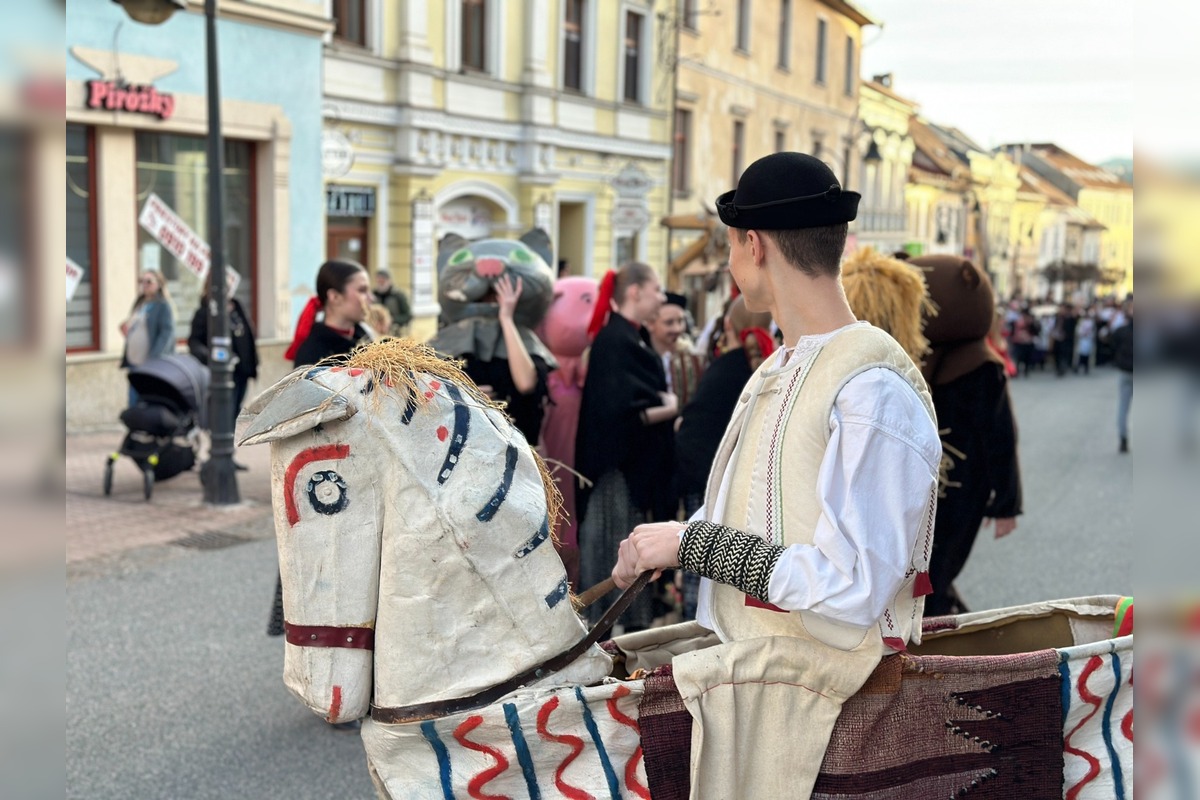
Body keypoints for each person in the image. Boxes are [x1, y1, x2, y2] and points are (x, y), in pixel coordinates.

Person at [609, 152, 941, 798]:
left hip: (821, 720)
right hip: (756, 688)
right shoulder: (780, 367)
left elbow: (851, 591)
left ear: (751, 244)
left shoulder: (870, 389)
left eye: (731, 248)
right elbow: (758, 517)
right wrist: (668, 539)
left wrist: (692, 545)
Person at [575, 262, 677, 630]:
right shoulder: (615, 341)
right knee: (614, 551)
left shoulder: (628, 337)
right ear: (635, 292)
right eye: (656, 290)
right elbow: (619, 412)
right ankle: (609, 634)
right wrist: (668, 408)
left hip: (628, 471)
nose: (661, 298)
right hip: (615, 471)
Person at [672, 294, 774, 619]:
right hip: (746, 486)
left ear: (728, 324)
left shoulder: (725, 368)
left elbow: (697, 430)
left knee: (697, 565)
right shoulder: (769, 366)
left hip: (707, 482)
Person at [188, 291, 260, 470]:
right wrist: (210, 358)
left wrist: (252, 363)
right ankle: (218, 456)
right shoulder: (206, 311)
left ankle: (228, 454)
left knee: (233, 414)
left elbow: (247, 335)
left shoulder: (237, 306)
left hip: (242, 370)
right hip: (221, 374)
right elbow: (194, 341)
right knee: (221, 416)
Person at [285, 260, 374, 369]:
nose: (371, 298)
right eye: (362, 290)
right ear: (334, 297)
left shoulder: (364, 336)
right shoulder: (312, 353)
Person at [121, 270, 176, 406]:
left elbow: (166, 334)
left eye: (149, 281)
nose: (144, 285)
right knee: (133, 397)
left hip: (150, 363)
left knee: (148, 398)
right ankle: (134, 424)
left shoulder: (163, 306)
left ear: (159, 284)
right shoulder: (140, 304)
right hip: (134, 362)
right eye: (141, 281)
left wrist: (154, 357)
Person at [645, 292, 705, 410]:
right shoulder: (642, 358)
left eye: (681, 321)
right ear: (651, 324)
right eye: (669, 322)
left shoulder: (693, 359)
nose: (677, 329)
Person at [1112, 303, 1133, 453]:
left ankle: (1123, 437)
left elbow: (1112, 346)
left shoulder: (1121, 331)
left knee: (1123, 407)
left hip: (1125, 371)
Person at [371, 269, 412, 336]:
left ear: (389, 281)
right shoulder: (373, 295)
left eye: (382, 281)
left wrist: (392, 320)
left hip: (396, 334)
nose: (380, 284)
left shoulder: (399, 296)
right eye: (378, 281)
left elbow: (408, 316)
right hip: (377, 334)